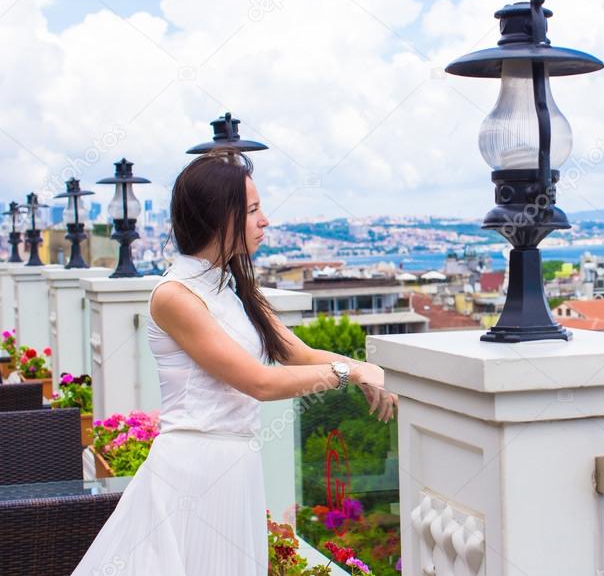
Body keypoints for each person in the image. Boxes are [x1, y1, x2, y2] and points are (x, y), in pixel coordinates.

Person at [73, 150, 398, 575]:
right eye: (253, 210)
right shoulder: (176, 295)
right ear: (218, 217)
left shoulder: (232, 284)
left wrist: (370, 370)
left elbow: (296, 353)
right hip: (192, 471)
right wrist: (350, 372)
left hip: (235, 466)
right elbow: (260, 383)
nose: (264, 221)